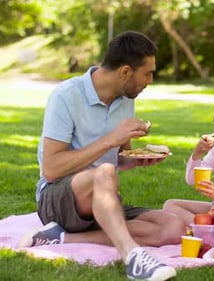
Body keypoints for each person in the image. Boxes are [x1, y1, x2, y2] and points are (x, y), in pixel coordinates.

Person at [18, 31, 186, 281]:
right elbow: (51, 168)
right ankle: (133, 258)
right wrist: (111, 139)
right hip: (57, 198)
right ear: (125, 72)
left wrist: (135, 160)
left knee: (174, 228)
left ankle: (61, 237)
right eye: (147, 73)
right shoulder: (66, 96)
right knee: (104, 173)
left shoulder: (125, 98)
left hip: (103, 198)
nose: (150, 80)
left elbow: (118, 155)